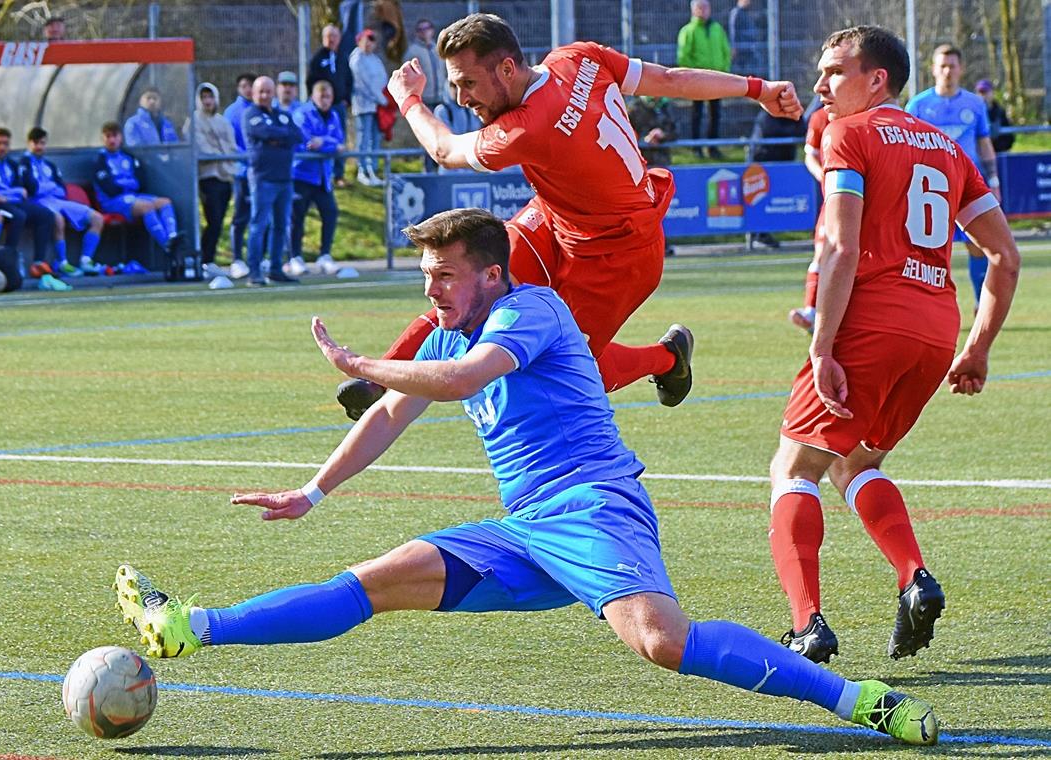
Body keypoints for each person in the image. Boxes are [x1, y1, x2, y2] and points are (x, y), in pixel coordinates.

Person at [115, 207, 939, 748]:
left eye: (444, 277)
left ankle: (856, 699)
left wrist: (367, 361)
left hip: (593, 508)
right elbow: (387, 417)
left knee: (664, 642)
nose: (431, 291)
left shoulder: (531, 310)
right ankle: (191, 625)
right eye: (424, 278)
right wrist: (313, 492)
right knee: (373, 582)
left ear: (490, 275)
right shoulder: (447, 335)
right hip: (524, 530)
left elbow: (469, 378)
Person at [338, 12, 801, 421]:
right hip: (556, 218)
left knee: (570, 369)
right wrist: (758, 88)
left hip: (621, 253)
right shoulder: (577, 57)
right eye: (455, 85)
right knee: (471, 282)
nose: (461, 98)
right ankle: (378, 381)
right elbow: (673, 80)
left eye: (469, 84)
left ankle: (667, 358)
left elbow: (443, 148)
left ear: (506, 67)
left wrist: (408, 100)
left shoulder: (524, 128)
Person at [768, 26, 1020, 666]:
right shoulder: (946, 147)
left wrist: (822, 347)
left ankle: (806, 626)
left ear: (876, 78)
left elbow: (842, 247)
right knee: (857, 464)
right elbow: (1004, 257)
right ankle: (914, 579)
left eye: (833, 71)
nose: (821, 85)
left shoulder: (847, 135)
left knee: (793, 470)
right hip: (934, 335)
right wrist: (978, 348)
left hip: (870, 329)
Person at [906, 44, 1000, 311]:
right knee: (930, 248)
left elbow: (984, 142)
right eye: (943, 65)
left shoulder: (974, 104)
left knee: (977, 244)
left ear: (961, 69)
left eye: (952, 65)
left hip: (970, 185)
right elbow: (909, 147)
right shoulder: (919, 105)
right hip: (930, 188)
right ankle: (929, 303)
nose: (948, 71)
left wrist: (993, 181)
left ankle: (982, 301)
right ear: (934, 69)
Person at [0, 127, 59, 283]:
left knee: (46, 215)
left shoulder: (12, 164)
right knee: (18, 216)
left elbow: (23, 191)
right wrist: (12, 193)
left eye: (5, 144)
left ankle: (38, 262)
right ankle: (9, 258)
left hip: (13, 203)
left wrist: (8, 195)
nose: (2, 147)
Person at [20, 127, 105, 277]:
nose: (39, 147)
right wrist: (49, 187)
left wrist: (45, 187)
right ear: (29, 143)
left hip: (57, 200)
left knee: (97, 218)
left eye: (42, 143)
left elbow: (61, 189)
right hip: (38, 202)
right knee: (57, 219)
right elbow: (32, 189)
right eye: (35, 143)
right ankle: (62, 262)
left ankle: (86, 260)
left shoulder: (50, 165)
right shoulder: (23, 163)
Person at [92, 121, 182, 262]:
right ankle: (167, 245)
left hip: (133, 196)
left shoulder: (129, 157)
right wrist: (129, 185)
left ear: (121, 137)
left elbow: (141, 182)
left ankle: (172, 237)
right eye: (108, 136)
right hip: (113, 201)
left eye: (115, 136)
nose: (112, 140)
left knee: (165, 202)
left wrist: (126, 184)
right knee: (147, 206)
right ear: (103, 139)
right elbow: (109, 188)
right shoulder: (99, 160)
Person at [242, 76, 302, 286]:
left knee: (280, 226)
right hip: (263, 178)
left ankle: (276, 269)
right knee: (259, 225)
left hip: (284, 178)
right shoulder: (250, 114)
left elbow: (297, 135)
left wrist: (277, 138)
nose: (265, 95)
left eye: (269, 91)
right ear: (254, 93)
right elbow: (263, 132)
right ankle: (254, 271)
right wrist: (278, 137)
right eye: (261, 91)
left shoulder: (282, 115)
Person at [287, 80, 343, 278]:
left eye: (328, 97)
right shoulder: (302, 114)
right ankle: (295, 257)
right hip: (301, 174)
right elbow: (308, 142)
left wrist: (326, 142)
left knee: (330, 213)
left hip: (322, 177)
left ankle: (325, 255)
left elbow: (339, 142)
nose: (326, 101)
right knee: (297, 218)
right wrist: (329, 144)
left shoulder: (334, 115)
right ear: (313, 96)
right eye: (322, 97)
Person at [184, 82, 239, 270]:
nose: (208, 101)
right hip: (208, 177)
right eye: (204, 97)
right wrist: (219, 156)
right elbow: (201, 148)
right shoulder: (194, 121)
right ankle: (205, 259)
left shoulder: (222, 121)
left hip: (226, 176)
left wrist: (226, 160)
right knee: (213, 220)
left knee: (220, 221)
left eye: (210, 97)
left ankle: (210, 258)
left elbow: (232, 146)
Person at [789, 98, 829, 333]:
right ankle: (811, 312)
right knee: (822, 253)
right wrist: (825, 176)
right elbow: (810, 155)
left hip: (869, 199)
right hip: (834, 199)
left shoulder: (861, 115)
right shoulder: (820, 117)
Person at [677, 0, 731, 159]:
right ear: (693, 10)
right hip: (697, 81)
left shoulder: (717, 29)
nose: (703, 11)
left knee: (716, 113)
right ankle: (696, 147)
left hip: (717, 79)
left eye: (705, 7)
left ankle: (713, 147)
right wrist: (694, 75)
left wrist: (724, 71)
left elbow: (725, 51)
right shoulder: (689, 31)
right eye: (699, 7)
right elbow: (683, 56)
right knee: (697, 113)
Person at [747, 110, 806, 248]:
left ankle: (763, 234)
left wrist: (794, 117)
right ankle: (759, 235)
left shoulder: (793, 109)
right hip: (763, 164)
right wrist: (792, 123)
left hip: (783, 165)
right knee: (760, 199)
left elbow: (802, 130)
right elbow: (772, 130)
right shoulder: (767, 112)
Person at [308, 24, 353, 187]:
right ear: (323, 38)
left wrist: (347, 98)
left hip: (338, 106)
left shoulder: (342, 57)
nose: (332, 39)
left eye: (334, 36)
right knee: (320, 138)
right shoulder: (318, 58)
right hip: (321, 108)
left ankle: (338, 175)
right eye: (329, 36)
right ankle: (321, 174)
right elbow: (311, 80)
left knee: (339, 139)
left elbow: (349, 79)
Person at [224, 73, 258, 279]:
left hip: (261, 173)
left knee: (261, 217)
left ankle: (257, 258)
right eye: (244, 86)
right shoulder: (232, 112)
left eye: (250, 86)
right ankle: (236, 259)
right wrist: (247, 159)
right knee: (241, 216)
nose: (247, 89)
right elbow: (231, 143)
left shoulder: (262, 109)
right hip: (242, 172)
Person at [405, 18, 449, 172]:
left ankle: (442, 168)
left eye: (428, 28)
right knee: (427, 136)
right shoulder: (413, 51)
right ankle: (428, 169)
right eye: (421, 29)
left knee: (442, 134)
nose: (425, 31)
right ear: (417, 32)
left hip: (441, 98)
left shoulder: (436, 49)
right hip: (425, 99)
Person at [349, 28, 389, 186]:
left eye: (372, 40)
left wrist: (383, 99)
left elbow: (383, 79)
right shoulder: (356, 59)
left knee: (375, 139)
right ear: (359, 41)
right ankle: (362, 170)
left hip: (377, 106)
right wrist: (380, 98)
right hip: (364, 105)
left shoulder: (375, 59)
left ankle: (373, 170)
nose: (369, 43)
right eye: (366, 40)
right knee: (363, 138)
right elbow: (364, 84)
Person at [975, 79, 1014, 154]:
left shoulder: (1000, 112)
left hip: (998, 153)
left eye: (986, 92)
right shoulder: (971, 114)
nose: (983, 96)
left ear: (992, 93)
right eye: (980, 92)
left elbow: (1009, 138)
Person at [728, 0, 766, 77]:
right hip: (741, 49)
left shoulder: (745, 13)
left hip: (749, 49)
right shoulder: (736, 12)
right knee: (742, 74)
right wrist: (734, 47)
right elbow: (733, 31)